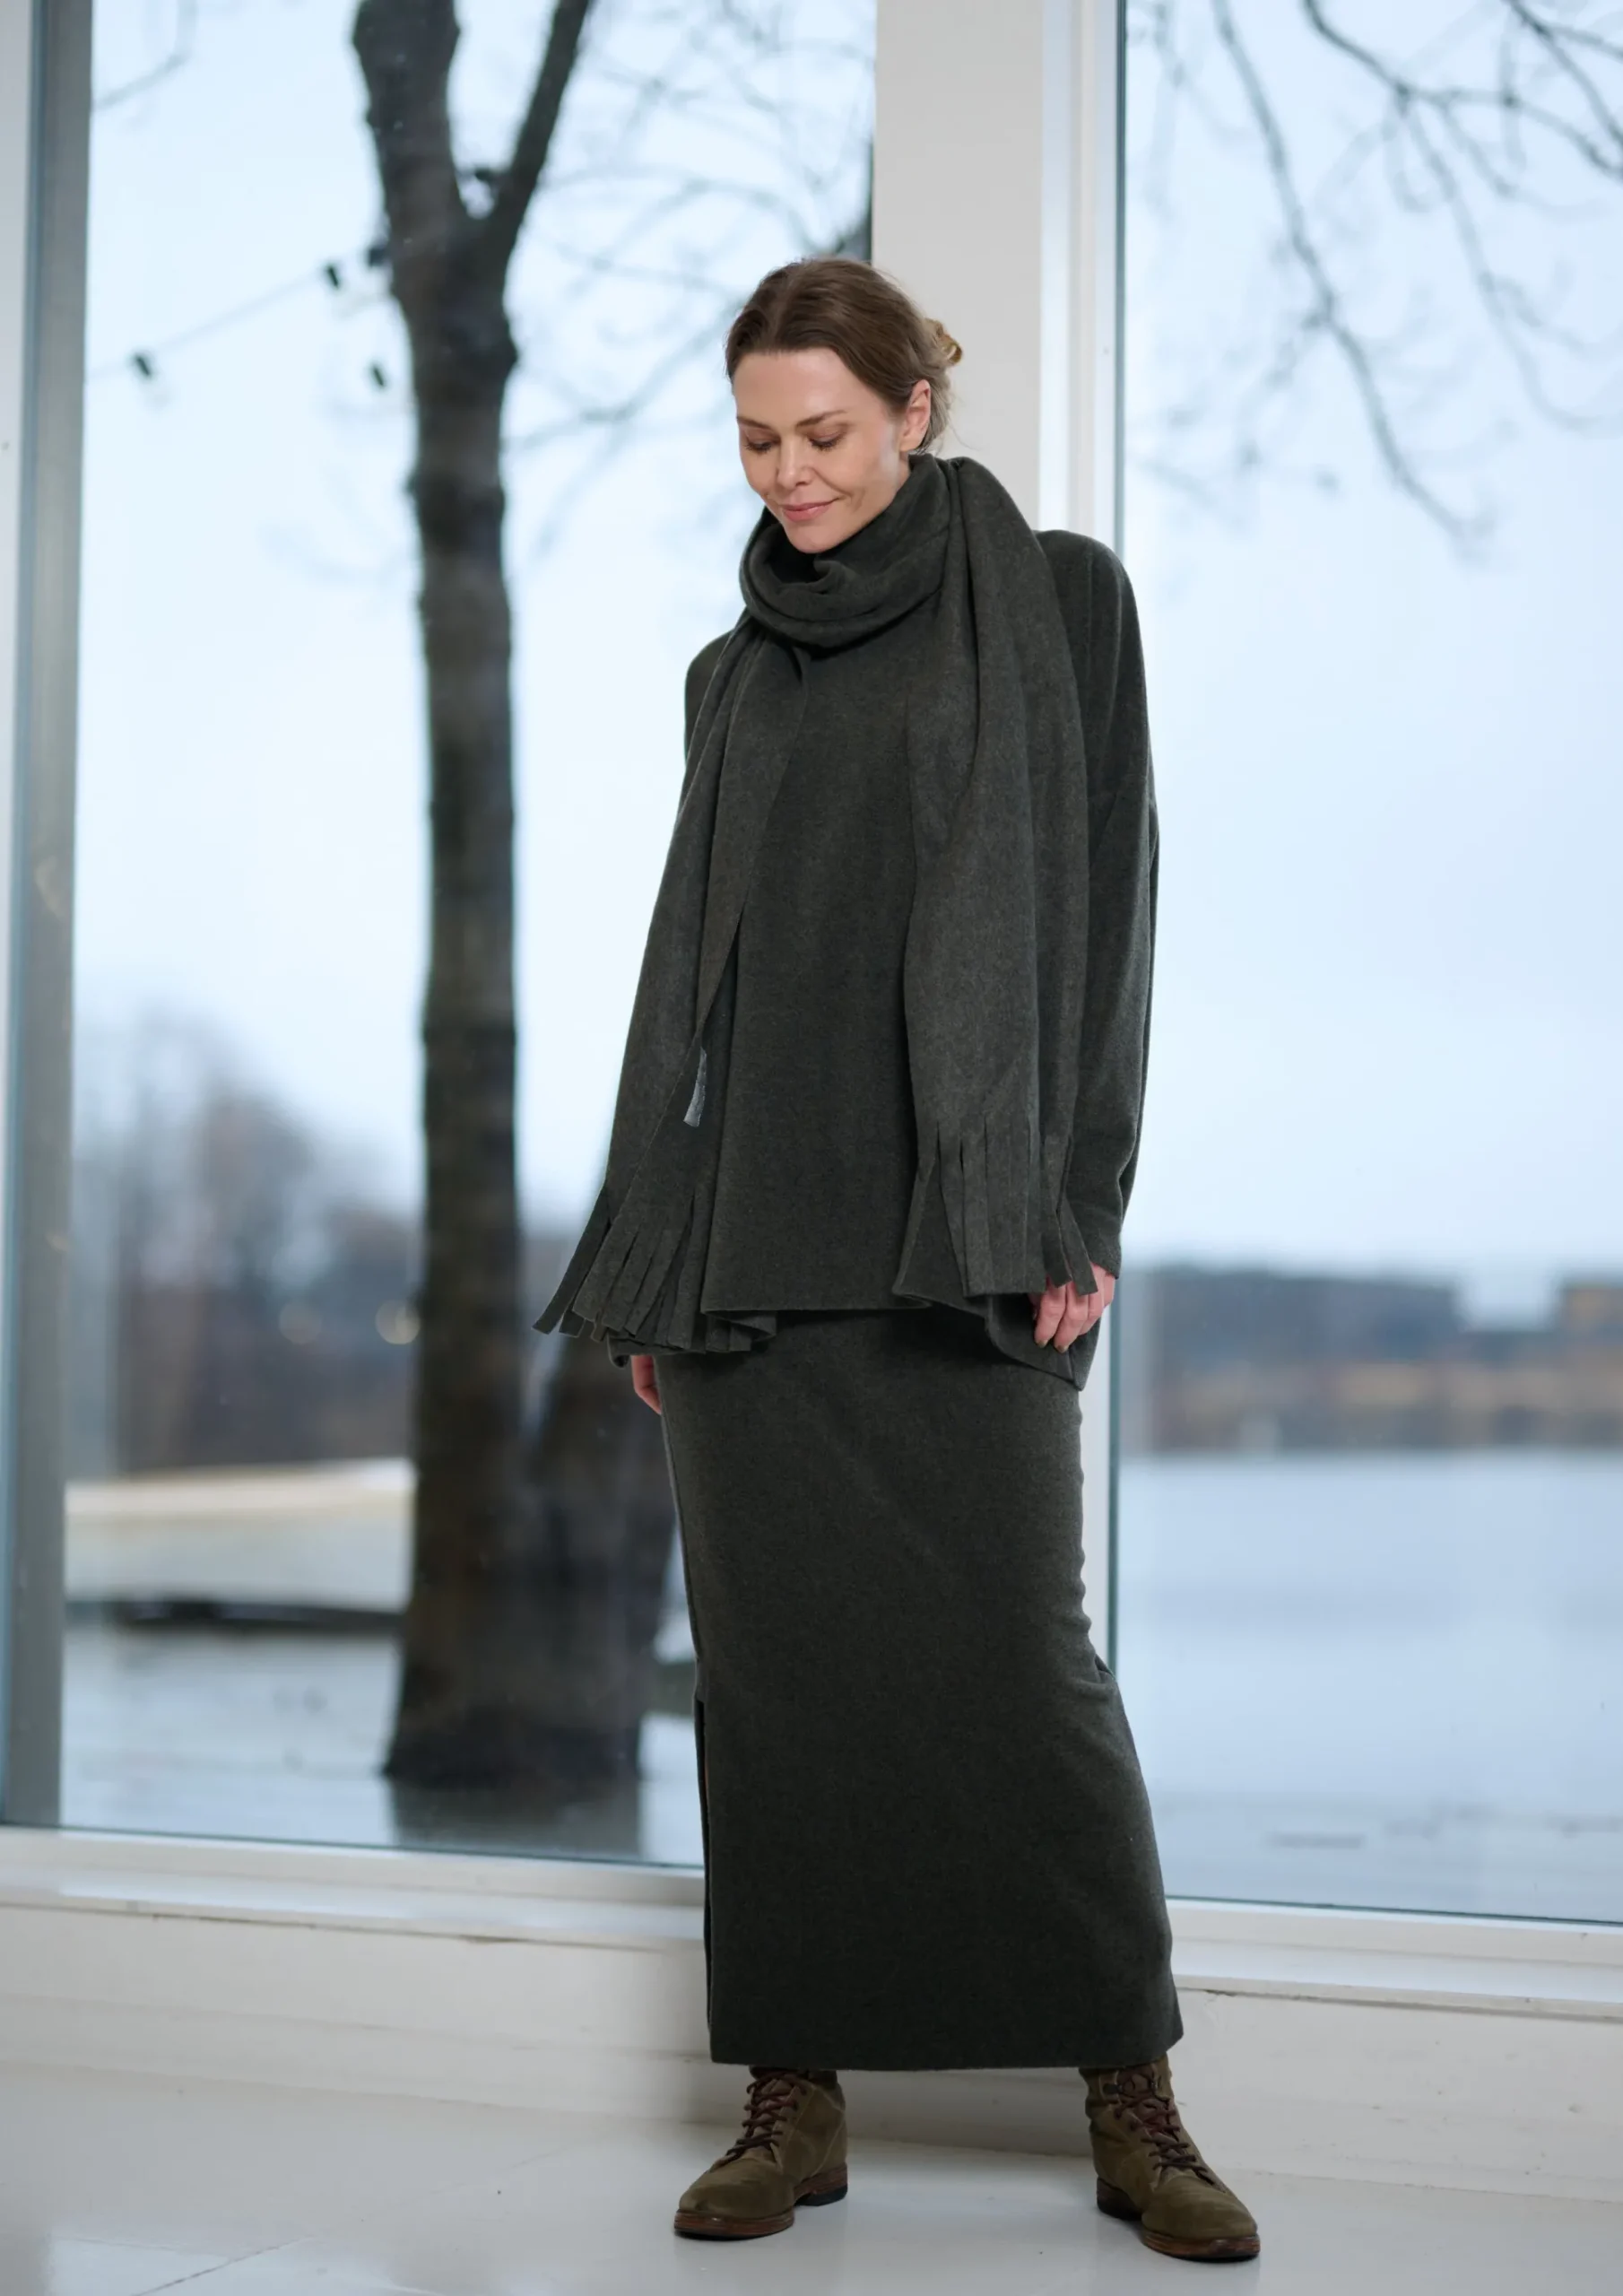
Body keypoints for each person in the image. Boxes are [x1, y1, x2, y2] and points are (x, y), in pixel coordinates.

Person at [536, 256, 1258, 2266]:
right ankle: (792, 2096)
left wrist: (1078, 1200)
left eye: (826, 433)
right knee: (771, 1689)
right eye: (756, 441)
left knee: (1022, 1675)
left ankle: (1130, 2096)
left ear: (915, 410)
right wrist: (658, 1253)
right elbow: (698, 983)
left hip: (965, 1228)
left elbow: (1106, 918)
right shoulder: (732, 672)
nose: (791, 474)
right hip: (746, 1242)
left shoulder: (1059, 602)